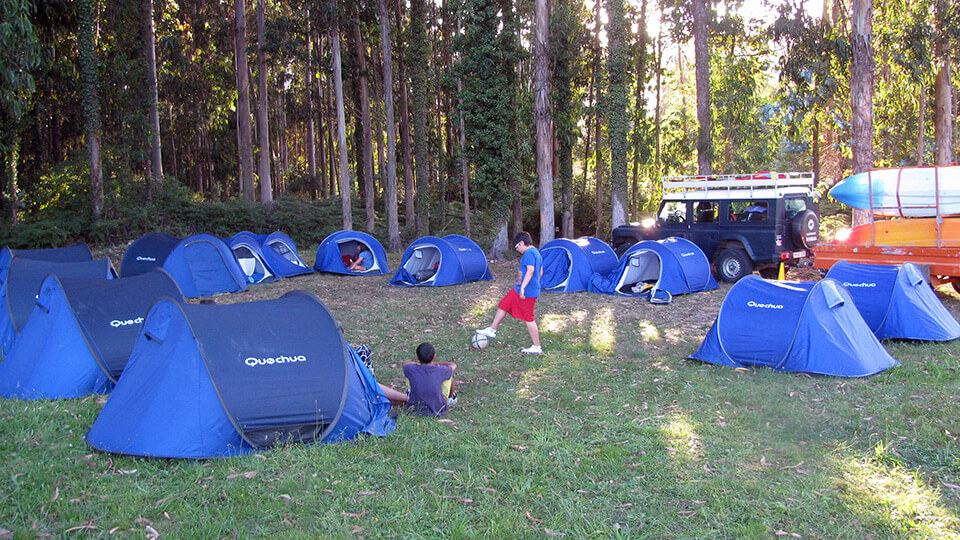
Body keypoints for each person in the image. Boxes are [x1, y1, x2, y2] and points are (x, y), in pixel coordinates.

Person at [476, 231, 544, 354]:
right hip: (522, 289)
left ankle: (537, 347)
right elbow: (540, 272)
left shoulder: (529, 253)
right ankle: (492, 329)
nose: (517, 249)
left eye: (517, 246)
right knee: (504, 304)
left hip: (526, 291)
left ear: (522, 243)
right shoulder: (536, 252)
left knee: (529, 318)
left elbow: (531, 270)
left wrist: (524, 287)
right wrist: (532, 284)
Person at [403, 342, 458, 416]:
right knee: (450, 377)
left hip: (414, 409)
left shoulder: (411, 368)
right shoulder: (440, 370)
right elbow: (453, 365)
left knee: (409, 375)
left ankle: (412, 395)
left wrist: (420, 364)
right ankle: (450, 398)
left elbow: (405, 363)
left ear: (417, 357)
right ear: (434, 356)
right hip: (438, 410)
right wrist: (434, 364)